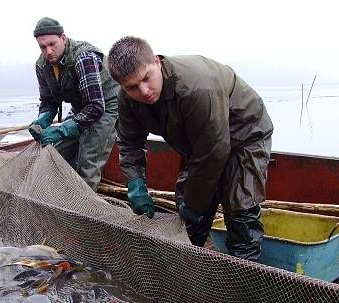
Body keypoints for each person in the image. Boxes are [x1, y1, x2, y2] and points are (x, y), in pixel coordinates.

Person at [107, 36, 274, 261]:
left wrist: (195, 204)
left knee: (240, 212)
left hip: (245, 132)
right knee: (188, 215)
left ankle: (242, 282)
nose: (144, 91)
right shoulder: (128, 99)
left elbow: (213, 153)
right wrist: (136, 184)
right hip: (200, 141)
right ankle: (188, 265)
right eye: (132, 87)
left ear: (156, 62)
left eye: (147, 78)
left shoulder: (196, 87)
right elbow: (128, 143)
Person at [29, 17, 119, 191]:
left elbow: (95, 107)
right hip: (82, 106)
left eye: (52, 44)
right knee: (59, 152)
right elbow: (49, 101)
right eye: (42, 47)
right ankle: (64, 196)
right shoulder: (41, 65)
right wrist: (42, 119)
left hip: (106, 104)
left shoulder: (83, 57)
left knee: (88, 158)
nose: (48, 51)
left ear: (63, 38)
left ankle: (83, 208)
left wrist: (63, 129)